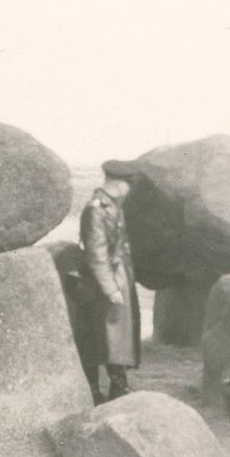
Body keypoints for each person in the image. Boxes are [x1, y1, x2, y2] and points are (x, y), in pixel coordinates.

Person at [76, 159, 141, 405]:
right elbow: (96, 251)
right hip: (100, 281)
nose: (128, 189)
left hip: (117, 276)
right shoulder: (97, 208)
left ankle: (118, 384)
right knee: (99, 336)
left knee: (116, 335)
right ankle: (94, 390)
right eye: (126, 183)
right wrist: (110, 288)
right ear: (116, 182)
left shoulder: (111, 205)